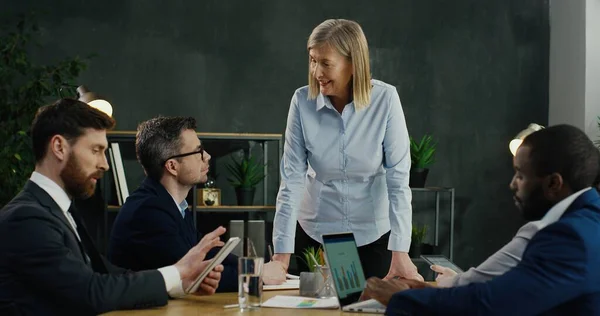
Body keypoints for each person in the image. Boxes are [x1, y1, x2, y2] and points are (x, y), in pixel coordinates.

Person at [0, 99, 228, 315]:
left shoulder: (57, 210)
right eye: (95, 150)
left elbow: (105, 273)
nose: (105, 164)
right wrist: (177, 273)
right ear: (59, 147)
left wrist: (180, 284)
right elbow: (91, 292)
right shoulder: (26, 217)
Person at [363, 124, 600, 315]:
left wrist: (400, 298)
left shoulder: (570, 237)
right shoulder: (589, 220)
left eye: (520, 175)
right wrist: (424, 290)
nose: (512, 184)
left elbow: (493, 302)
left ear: (553, 183)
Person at [271, 18, 422, 281]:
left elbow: (398, 181)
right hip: (316, 233)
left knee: (369, 308)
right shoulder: (301, 102)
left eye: (326, 63)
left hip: (372, 235)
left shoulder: (385, 101)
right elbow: (292, 180)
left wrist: (401, 251)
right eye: (312, 60)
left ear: (353, 64)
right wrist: (281, 257)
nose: (316, 71)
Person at [108, 116, 286, 289]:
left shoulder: (171, 204)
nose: (207, 156)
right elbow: (194, 274)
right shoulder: (147, 212)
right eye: (198, 152)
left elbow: (205, 253)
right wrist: (257, 272)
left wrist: (257, 265)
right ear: (172, 166)